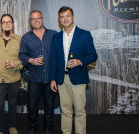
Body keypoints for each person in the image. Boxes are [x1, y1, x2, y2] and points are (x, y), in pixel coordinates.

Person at [49, 6, 98, 134]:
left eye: (67, 16)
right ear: (59, 20)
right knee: (65, 110)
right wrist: (53, 79)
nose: (65, 19)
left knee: (79, 111)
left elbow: (93, 55)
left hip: (78, 78)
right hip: (61, 79)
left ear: (73, 17)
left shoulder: (84, 34)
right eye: (62, 17)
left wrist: (80, 62)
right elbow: (53, 59)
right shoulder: (56, 37)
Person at [19, 10, 57, 134]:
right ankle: (32, 129)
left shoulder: (53, 35)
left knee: (49, 107)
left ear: (42, 19)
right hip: (34, 78)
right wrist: (31, 60)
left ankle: (48, 129)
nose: (36, 20)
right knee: (32, 107)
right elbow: (22, 55)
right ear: (30, 22)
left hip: (50, 78)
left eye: (38, 18)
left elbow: (59, 54)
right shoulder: (26, 37)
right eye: (33, 19)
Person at [0, 14, 23, 134]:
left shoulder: (19, 40)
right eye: (4, 22)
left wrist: (15, 64)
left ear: (13, 24)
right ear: (1, 25)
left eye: (9, 21)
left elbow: (24, 59)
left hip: (14, 79)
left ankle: (12, 126)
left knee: (12, 104)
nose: (6, 24)